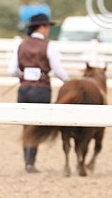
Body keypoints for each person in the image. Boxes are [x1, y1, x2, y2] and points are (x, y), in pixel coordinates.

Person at [9, 12, 69, 172]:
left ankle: (27, 161)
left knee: (26, 124)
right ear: (41, 27)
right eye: (47, 26)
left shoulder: (21, 45)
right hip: (41, 89)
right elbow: (58, 71)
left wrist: (23, 76)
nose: (48, 29)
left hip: (24, 89)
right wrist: (69, 82)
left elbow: (12, 70)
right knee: (36, 125)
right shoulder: (49, 46)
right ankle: (31, 162)